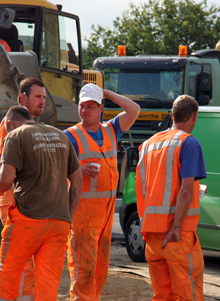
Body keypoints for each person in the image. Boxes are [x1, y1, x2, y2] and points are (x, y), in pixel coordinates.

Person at [0, 106, 83, 301]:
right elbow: (77, 179)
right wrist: (69, 216)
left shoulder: (15, 135)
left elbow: (6, 179)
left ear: (10, 124)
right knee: (48, 283)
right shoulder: (61, 136)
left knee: (8, 273)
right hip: (59, 222)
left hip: (27, 219)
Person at [64, 83, 140, 300]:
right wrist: (78, 169)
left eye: (90, 106)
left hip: (105, 216)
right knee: (83, 272)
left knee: (99, 272)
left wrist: (105, 92)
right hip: (82, 215)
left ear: (101, 108)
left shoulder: (111, 130)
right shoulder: (70, 136)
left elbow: (134, 110)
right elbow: (57, 169)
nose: (84, 111)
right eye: (82, 106)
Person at [136, 95, 207, 300]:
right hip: (177, 235)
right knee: (187, 295)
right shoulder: (189, 143)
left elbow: (143, 190)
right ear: (194, 116)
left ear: (171, 116)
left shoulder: (148, 145)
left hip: (153, 235)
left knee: (162, 296)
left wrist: (146, 227)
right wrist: (176, 228)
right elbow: (186, 190)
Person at [0, 78, 46, 299]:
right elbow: (9, 172)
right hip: (15, 203)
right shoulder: (12, 127)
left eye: (44, 97)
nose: (42, 102)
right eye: (38, 97)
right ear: (23, 98)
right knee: (21, 263)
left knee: (27, 263)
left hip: (26, 203)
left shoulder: (27, 127)